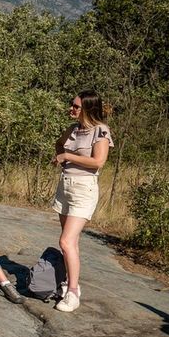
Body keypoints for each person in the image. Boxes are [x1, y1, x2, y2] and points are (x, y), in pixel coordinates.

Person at [50, 90, 113, 312]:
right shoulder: (74, 129)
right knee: (71, 243)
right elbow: (59, 143)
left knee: (65, 242)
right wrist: (61, 158)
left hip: (84, 190)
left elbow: (98, 161)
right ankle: (68, 283)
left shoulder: (101, 130)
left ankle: (73, 292)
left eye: (76, 106)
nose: (71, 108)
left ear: (87, 108)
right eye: (72, 104)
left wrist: (67, 156)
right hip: (65, 186)